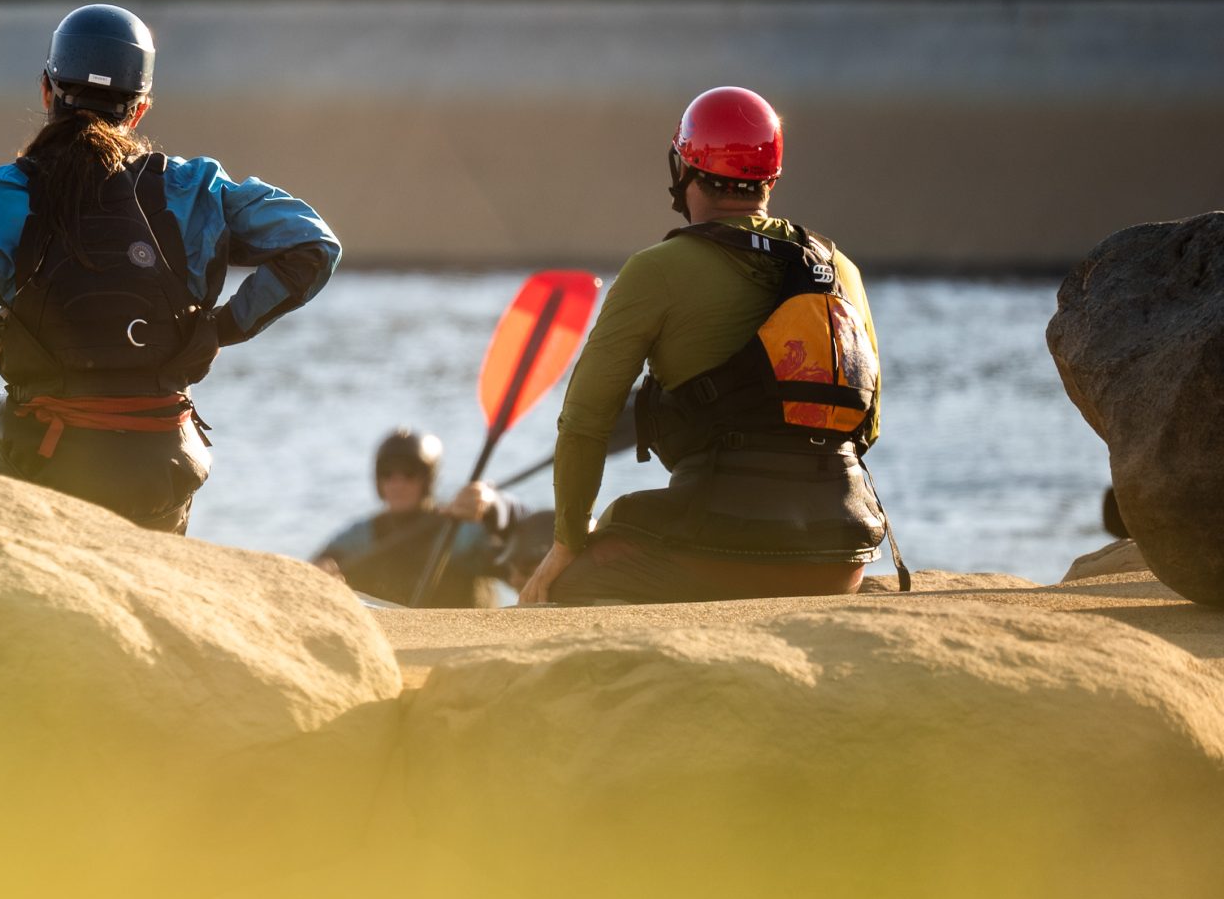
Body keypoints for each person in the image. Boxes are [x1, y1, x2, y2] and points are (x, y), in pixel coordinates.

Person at [0, 3, 340, 534]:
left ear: (47, 90)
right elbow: (313, 244)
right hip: (163, 473)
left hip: (43, 462)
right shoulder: (198, 187)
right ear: (139, 110)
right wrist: (222, 327)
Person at [520, 86, 901, 606]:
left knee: (577, 580)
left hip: (721, 545)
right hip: (843, 553)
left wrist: (566, 544)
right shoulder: (841, 269)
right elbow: (868, 425)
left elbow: (585, 421)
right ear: (771, 177)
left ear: (684, 168)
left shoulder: (655, 271)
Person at [313, 428, 530, 607]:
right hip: (392, 638)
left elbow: (516, 550)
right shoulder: (361, 535)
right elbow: (317, 566)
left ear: (427, 480)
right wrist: (322, 572)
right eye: (388, 474)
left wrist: (494, 509)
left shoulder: (460, 530)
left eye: (409, 474)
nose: (398, 484)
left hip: (462, 636)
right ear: (379, 481)